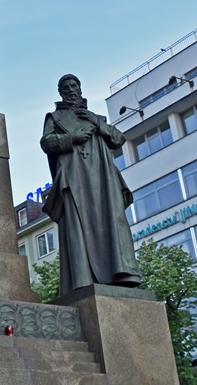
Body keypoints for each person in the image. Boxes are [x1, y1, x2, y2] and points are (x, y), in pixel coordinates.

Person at [40, 74, 141, 296]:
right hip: (75, 177)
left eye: (74, 85)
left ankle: (119, 273)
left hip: (102, 178)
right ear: (60, 92)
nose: (71, 90)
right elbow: (46, 143)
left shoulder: (96, 117)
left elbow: (118, 139)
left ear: (80, 88)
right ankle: (83, 278)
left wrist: (97, 123)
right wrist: (72, 138)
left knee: (111, 221)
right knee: (78, 224)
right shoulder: (55, 118)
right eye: (65, 87)